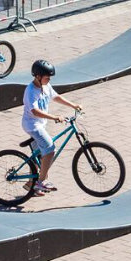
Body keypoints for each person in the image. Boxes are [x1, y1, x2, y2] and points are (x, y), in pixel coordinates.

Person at [22, 59, 83, 194]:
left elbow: (56, 97)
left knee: (43, 159)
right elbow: (34, 111)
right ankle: (41, 182)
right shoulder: (30, 91)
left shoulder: (45, 86)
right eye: (47, 77)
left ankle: (31, 184)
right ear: (37, 77)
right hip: (32, 126)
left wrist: (73, 105)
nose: (49, 79)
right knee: (50, 150)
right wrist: (54, 117)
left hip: (40, 125)